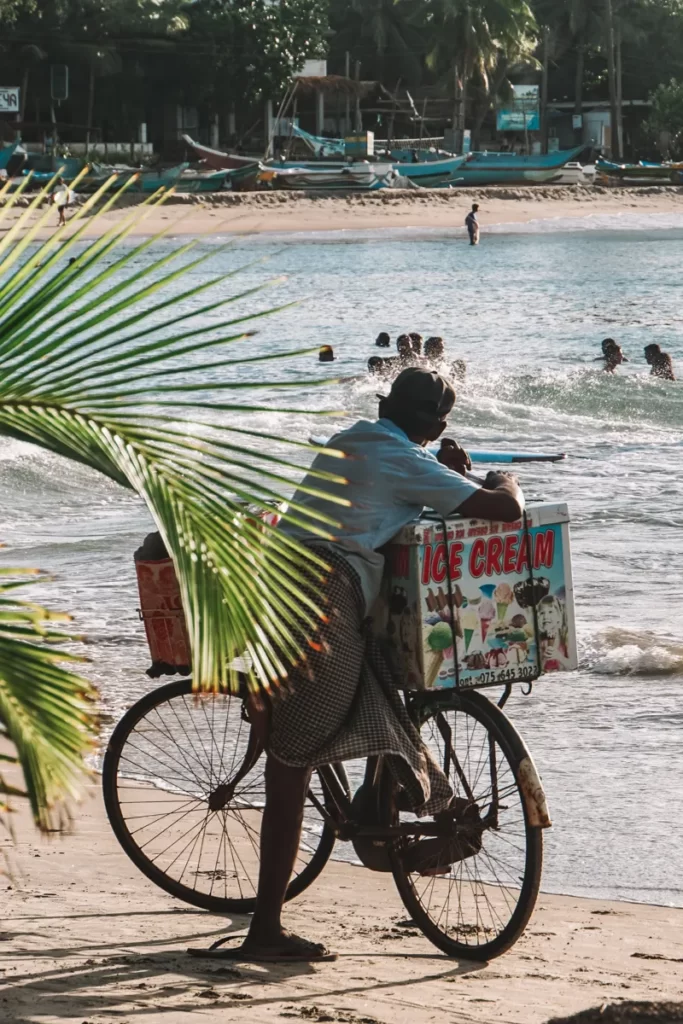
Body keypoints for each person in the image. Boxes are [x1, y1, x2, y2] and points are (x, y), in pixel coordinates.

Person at [200, 367, 524, 963]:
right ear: (436, 425)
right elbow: (502, 509)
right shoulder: (405, 459)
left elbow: (400, 498)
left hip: (292, 588)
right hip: (320, 596)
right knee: (290, 762)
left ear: (386, 406)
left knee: (355, 703)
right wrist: (499, 476)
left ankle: (386, 822)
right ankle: (265, 931)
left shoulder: (356, 439)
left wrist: (444, 472)